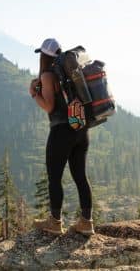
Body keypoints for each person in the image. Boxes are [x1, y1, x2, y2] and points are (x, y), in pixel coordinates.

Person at [29, 38, 95, 236]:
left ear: (43, 56)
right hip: (81, 128)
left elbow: (49, 106)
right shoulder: (69, 72)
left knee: (54, 178)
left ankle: (55, 222)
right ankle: (86, 222)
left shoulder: (48, 75)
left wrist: (34, 93)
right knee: (80, 176)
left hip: (61, 132)